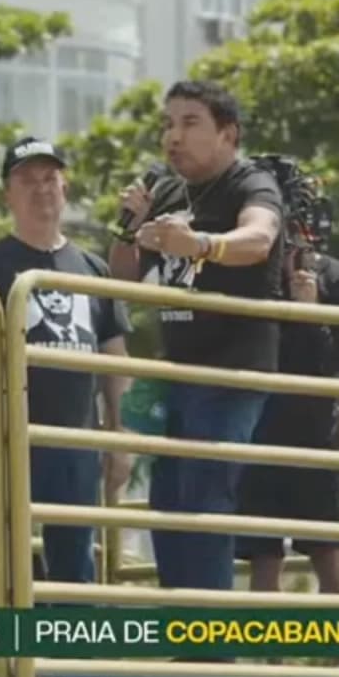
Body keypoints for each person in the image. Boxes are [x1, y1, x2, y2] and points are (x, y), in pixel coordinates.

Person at [108, 79, 285, 592]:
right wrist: (128, 228)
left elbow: (259, 237)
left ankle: (210, 637)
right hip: (177, 375)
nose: (173, 136)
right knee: (168, 505)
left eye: (189, 123)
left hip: (232, 372)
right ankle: (183, 630)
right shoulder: (166, 190)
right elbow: (123, 278)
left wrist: (203, 244)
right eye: (168, 124)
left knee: (204, 501)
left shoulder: (251, 183)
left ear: (228, 134)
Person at [0, 137, 132, 586]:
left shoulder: (92, 267)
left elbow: (117, 363)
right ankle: (8, 635)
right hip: (7, 440)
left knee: (75, 564)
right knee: (2, 561)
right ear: (8, 195)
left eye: (50, 178)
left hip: (77, 441)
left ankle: (69, 633)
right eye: (27, 180)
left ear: (65, 188)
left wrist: (121, 437)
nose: (41, 189)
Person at [235, 243, 339, 597]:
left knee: (329, 557)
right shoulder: (247, 270)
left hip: (315, 433)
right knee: (263, 562)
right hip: (257, 430)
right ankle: (271, 639)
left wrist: (312, 313)